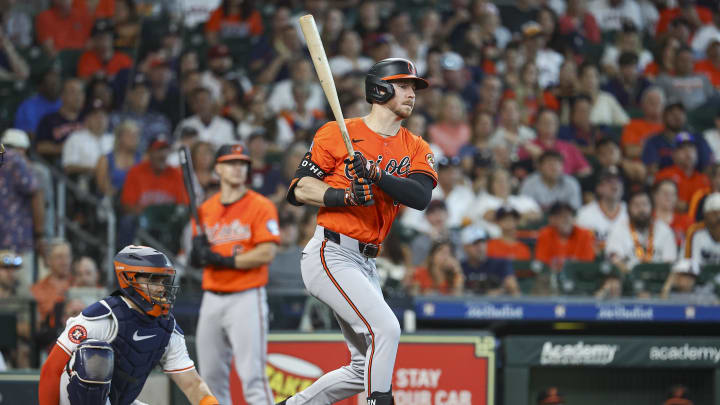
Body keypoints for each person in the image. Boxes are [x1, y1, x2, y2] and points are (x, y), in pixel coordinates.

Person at [282, 58, 436, 405]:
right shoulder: (337, 132)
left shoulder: (416, 146)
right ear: (379, 89)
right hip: (331, 252)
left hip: (367, 262)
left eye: (414, 87)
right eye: (404, 85)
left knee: (359, 367)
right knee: (386, 329)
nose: (412, 93)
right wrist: (344, 194)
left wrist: (376, 175)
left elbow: (420, 196)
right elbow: (299, 189)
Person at [37, 245, 219, 405]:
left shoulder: (167, 328)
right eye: (153, 280)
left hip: (117, 401)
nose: (162, 288)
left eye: (163, 281)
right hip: (71, 400)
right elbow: (50, 370)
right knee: (94, 353)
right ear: (129, 278)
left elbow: (192, 384)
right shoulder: (102, 316)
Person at [189, 144, 279, 404]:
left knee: (253, 378)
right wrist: (197, 254)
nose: (238, 168)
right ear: (218, 168)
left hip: (246, 297)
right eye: (231, 163)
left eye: (242, 164)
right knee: (210, 380)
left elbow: (267, 253)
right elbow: (195, 256)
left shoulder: (260, 205)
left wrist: (225, 260)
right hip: (212, 298)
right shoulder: (205, 210)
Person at [605, 189, 677, 274]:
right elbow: (614, 259)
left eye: (645, 204)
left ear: (652, 207)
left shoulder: (665, 230)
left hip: (658, 278)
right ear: (628, 209)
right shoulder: (618, 229)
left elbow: (669, 263)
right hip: (628, 278)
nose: (641, 209)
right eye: (636, 205)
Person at [642, 102, 713, 176]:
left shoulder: (697, 138)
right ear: (663, 117)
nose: (677, 116)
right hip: (665, 182)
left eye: (680, 113)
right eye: (672, 113)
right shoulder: (654, 141)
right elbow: (652, 170)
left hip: (695, 182)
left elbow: (708, 166)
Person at [654, 133, 711, 211]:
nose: (688, 152)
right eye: (682, 148)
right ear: (673, 155)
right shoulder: (664, 175)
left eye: (691, 147)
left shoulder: (704, 179)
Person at [36, 79, 85, 165]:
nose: (78, 96)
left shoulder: (88, 118)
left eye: (80, 92)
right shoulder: (49, 120)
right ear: (62, 96)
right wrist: (66, 148)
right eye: (73, 92)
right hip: (58, 166)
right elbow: (40, 147)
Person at [535, 202, 596, 272]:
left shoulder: (585, 235)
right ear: (552, 220)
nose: (566, 220)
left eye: (569, 215)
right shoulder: (545, 234)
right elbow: (542, 262)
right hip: (551, 276)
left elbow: (588, 262)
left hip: (578, 277)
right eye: (561, 216)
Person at [461, 225, 520, 296]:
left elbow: (514, 289)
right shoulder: (460, 266)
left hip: (496, 305)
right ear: (465, 247)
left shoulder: (501, 263)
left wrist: (498, 291)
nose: (480, 247)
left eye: (483, 242)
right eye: (475, 243)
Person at [576, 167, 628, 246]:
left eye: (618, 180)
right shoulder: (585, 214)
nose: (615, 184)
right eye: (609, 181)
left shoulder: (631, 211)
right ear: (599, 188)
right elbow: (581, 245)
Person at [61, 100, 114, 176]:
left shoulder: (113, 139)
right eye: (95, 116)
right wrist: (94, 170)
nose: (100, 120)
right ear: (87, 120)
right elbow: (68, 167)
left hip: (112, 180)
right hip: (84, 180)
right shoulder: (75, 138)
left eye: (103, 116)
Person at [31, 238, 73, 320]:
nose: (65, 262)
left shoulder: (79, 284)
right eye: (59, 257)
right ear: (48, 260)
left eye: (67, 256)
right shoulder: (37, 290)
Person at [14, 67, 62, 137]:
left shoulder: (65, 102)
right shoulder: (28, 106)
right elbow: (24, 134)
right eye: (50, 84)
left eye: (56, 83)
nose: (54, 87)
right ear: (41, 86)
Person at [621, 86, 665, 159]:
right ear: (643, 105)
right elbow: (630, 151)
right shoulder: (632, 125)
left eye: (658, 102)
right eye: (651, 101)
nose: (655, 104)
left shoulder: (670, 127)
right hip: (640, 166)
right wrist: (662, 151)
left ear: (663, 106)